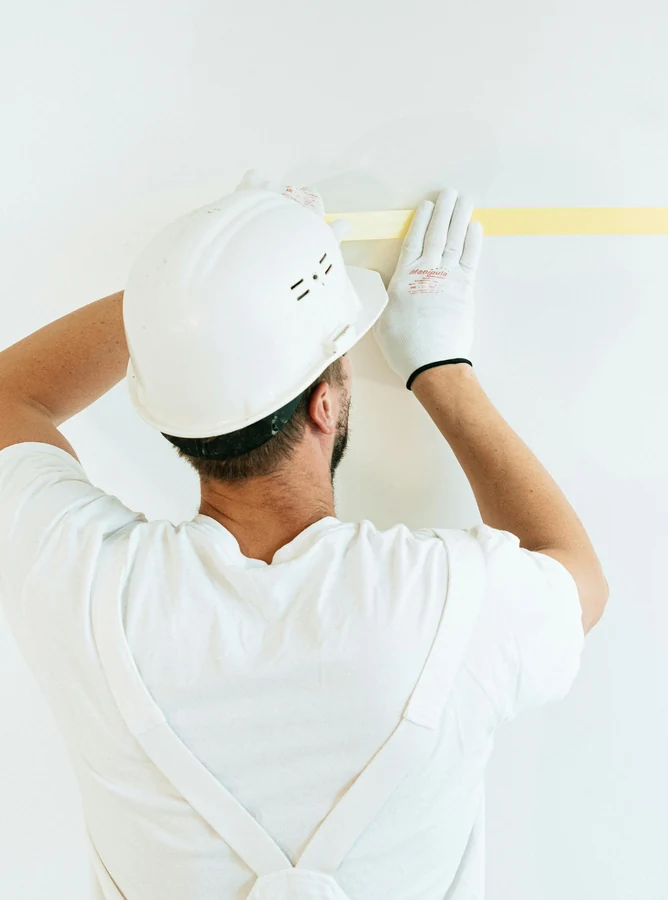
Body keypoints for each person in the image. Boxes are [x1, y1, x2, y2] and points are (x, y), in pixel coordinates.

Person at [0, 174, 608, 899]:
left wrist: (192, 307)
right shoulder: (449, 600)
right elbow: (577, 577)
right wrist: (441, 367)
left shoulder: (81, 590)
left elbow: (12, 397)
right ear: (327, 405)